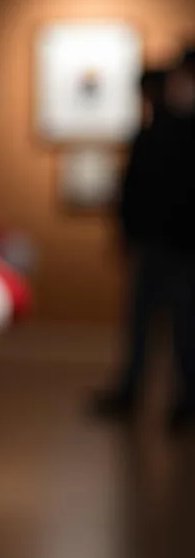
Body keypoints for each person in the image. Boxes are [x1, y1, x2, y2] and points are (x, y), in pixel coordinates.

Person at [90, 58, 195, 433]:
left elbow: (136, 193)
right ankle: (139, 393)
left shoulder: (168, 134)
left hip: (177, 248)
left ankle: (178, 399)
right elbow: (135, 193)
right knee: (145, 324)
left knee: (180, 328)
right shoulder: (157, 134)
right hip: (159, 245)